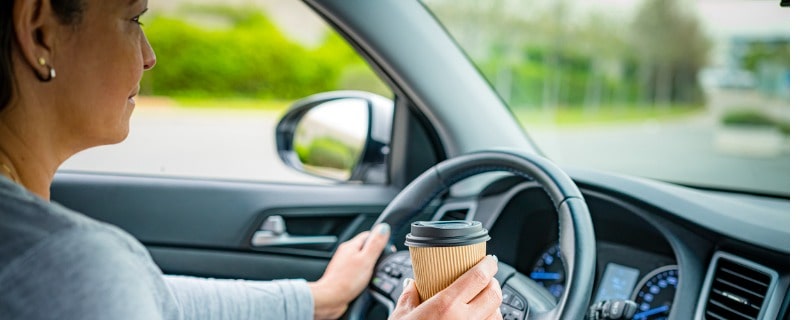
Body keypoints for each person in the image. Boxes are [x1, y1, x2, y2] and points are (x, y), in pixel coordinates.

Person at [0, 0, 503, 319]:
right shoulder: (64, 266)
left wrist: (319, 297)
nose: (151, 55)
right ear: (41, 30)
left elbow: (158, 299)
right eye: (134, 18)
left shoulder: (55, 262)